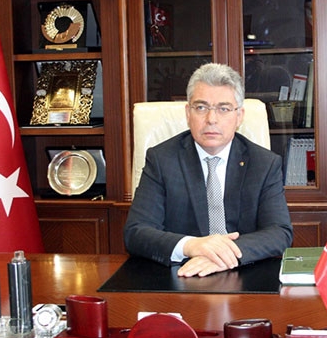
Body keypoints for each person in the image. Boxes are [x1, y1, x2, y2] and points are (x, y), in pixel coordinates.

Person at [124, 63, 293, 277]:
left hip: (243, 274)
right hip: (181, 275)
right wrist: (192, 245)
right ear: (188, 113)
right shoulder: (161, 160)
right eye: (201, 108)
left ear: (239, 116)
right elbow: (136, 232)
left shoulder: (264, 164)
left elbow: (279, 232)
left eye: (223, 109)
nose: (211, 119)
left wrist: (225, 255)